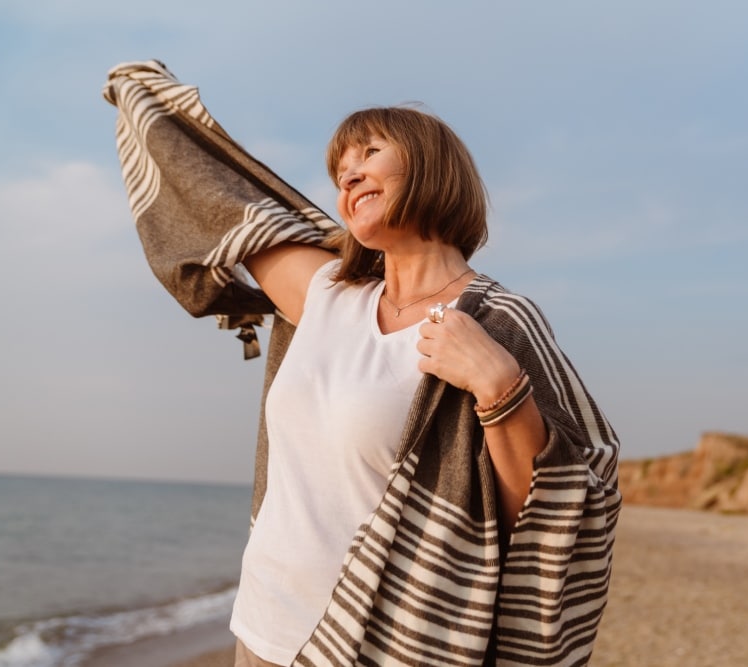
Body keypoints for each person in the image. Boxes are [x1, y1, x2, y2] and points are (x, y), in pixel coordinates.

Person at [103, 62, 619, 666]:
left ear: (431, 168)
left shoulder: (499, 319)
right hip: (263, 626)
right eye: (339, 171)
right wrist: (145, 104)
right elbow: (229, 207)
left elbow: (543, 515)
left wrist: (499, 386)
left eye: (369, 152)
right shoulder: (326, 293)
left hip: (386, 641)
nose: (348, 174)